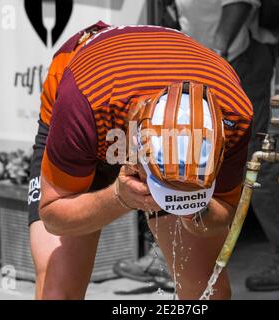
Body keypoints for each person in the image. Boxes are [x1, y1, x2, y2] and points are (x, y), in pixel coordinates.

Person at [28, 21, 253, 300]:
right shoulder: (85, 101)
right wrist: (119, 197)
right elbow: (54, 216)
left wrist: (192, 209)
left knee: (209, 294)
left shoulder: (234, 114)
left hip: (135, 92)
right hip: (95, 92)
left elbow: (223, 213)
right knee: (58, 290)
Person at [175, 0, 279, 291]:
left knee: (256, 160)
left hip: (234, 61)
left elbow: (239, 4)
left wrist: (217, 57)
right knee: (186, 151)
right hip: (203, 63)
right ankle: (171, 255)